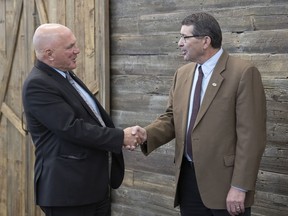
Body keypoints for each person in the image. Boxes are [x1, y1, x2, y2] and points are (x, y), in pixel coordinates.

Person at [134, 12, 266, 216]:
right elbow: (172, 118)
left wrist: (240, 187)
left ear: (206, 41)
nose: (179, 43)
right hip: (188, 182)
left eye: (185, 37)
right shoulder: (183, 73)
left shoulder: (243, 73)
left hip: (226, 185)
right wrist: (146, 134)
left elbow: (252, 137)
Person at [22, 23, 139, 216]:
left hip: (90, 188)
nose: (77, 50)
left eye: (75, 44)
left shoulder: (64, 75)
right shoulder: (38, 84)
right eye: (69, 47)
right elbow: (71, 128)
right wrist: (120, 137)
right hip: (68, 193)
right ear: (49, 54)